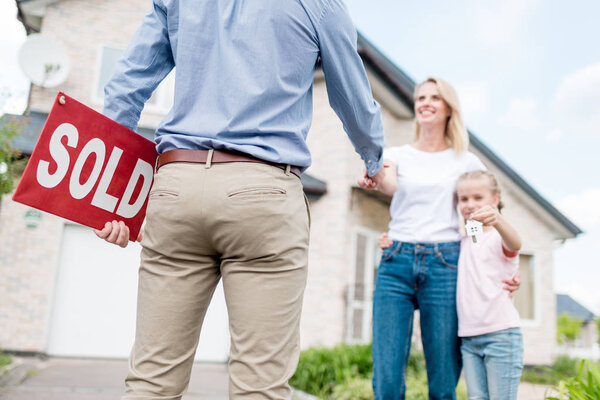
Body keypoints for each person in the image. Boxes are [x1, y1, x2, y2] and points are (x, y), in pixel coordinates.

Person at [93, 1, 387, 399]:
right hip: (263, 191)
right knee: (260, 387)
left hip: (177, 183)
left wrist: (111, 196)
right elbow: (352, 96)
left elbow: (126, 86)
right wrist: (374, 159)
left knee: (151, 381)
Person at [360, 77, 520, 400]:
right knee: (387, 379)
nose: (425, 102)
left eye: (435, 97)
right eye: (420, 97)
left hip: (446, 264)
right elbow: (388, 183)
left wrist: (497, 269)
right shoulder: (398, 154)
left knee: (443, 380)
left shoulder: (466, 161)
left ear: (449, 108)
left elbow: (480, 225)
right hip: (396, 259)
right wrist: (373, 174)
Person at [455, 170, 523, 400]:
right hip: (469, 337)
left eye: (477, 197)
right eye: (464, 199)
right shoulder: (469, 238)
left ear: (495, 200)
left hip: (500, 335)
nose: (469, 204)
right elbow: (475, 245)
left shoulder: (498, 236)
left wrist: (497, 219)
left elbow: (515, 243)